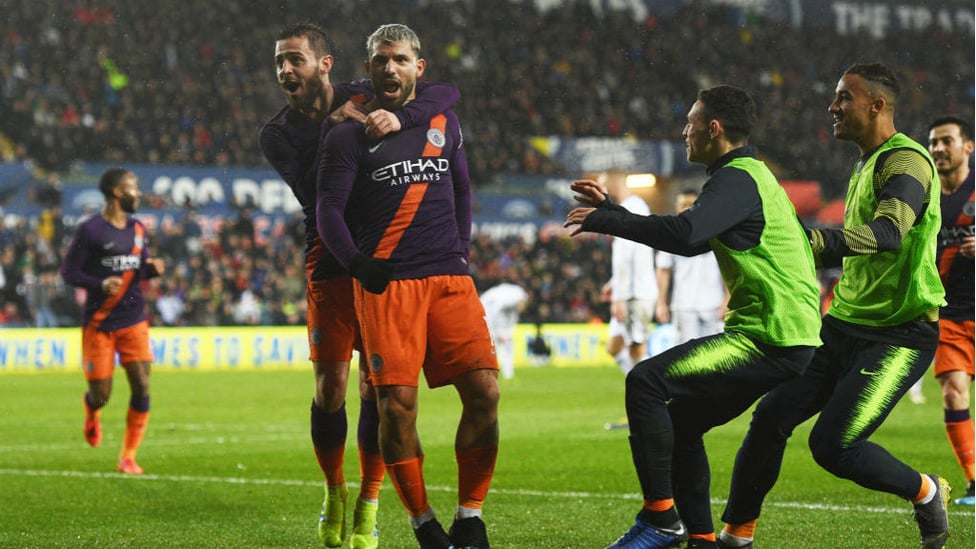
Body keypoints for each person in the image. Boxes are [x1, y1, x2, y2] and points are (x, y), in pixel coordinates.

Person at [564, 85, 822, 549]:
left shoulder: (738, 177)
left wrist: (609, 221)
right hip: (787, 336)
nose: (685, 132)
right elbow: (699, 240)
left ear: (714, 128)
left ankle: (660, 518)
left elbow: (686, 235)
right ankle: (702, 539)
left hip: (769, 336)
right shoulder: (751, 177)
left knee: (645, 382)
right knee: (682, 422)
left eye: (690, 123)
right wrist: (616, 212)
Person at [719, 63, 950, 549]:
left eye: (844, 97)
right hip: (842, 325)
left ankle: (926, 491)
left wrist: (812, 242)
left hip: (900, 335)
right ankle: (736, 535)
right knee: (771, 417)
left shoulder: (906, 161)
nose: (833, 107)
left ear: (877, 105)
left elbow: (889, 234)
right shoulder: (866, 161)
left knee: (833, 445)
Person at [259, 22, 460, 549]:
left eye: (294, 60)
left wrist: (402, 114)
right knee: (329, 389)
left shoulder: (363, 90)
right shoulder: (276, 133)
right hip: (329, 261)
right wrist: (337, 128)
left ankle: (370, 502)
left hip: (379, 254)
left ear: (324, 65)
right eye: (280, 62)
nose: (285, 70)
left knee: (376, 388)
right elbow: (315, 191)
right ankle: (335, 490)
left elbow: (443, 92)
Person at [316, 24, 499, 549]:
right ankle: (424, 524)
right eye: (380, 61)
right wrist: (355, 263)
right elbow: (329, 210)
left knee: (485, 393)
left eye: (399, 59)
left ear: (419, 67)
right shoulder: (349, 135)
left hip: (449, 278)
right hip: (388, 285)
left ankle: (471, 517)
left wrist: (461, 254)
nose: (389, 69)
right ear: (369, 69)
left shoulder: (444, 120)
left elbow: (461, 188)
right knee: (396, 406)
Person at [60, 168, 164, 475]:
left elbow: (137, 268)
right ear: (117, 193)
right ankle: (91, 409)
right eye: (133, 189)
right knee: (102, 394)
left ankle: (128, 457)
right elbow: (69, 273)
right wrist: (99, 284)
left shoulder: (138, 228)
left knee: (142, 386)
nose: (139, 194)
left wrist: (152, 269)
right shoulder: (90, 230)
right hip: (99, 323)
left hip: (133, 319)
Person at [927, 115, 975, 506]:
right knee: (954, 394)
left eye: (947, 141)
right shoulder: (926, 201)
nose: (939, 149)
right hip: (951, 316)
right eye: (933, 143)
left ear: (968, 147)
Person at [600, 169, 658, 377]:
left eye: (604, 187)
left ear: (615, 184)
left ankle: (653, 394)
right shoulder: (634, 207)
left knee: (637, 348)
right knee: (613, 348)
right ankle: (642, 390)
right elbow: (629, 257)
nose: (603, 193)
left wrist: (619, 298)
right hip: (629, 291)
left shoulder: (630, 210)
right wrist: (614, 283)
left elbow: (627, 259)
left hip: (635, 294)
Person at [654, 189, 728, 345]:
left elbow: (728, 269)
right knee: (686, 357)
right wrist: (661, 302)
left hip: (713, 305)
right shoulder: (671, 235)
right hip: (683, 306)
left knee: (712, 357)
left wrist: (728, 299)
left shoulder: (715, 232)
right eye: (683, 204)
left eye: (691, 204)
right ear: (676, 206)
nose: (686, 208)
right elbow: (663, 271)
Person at [479, 281, 529, 380]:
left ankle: (507, 373)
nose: (523, 308)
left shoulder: (519, 296)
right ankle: (489, 371)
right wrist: (497, 333)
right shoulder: (500, 300)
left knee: (507, 345)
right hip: (486, 312)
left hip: (495, 315)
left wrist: (508, 332)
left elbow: (513, 317)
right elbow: (493, 314)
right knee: (492, 348)